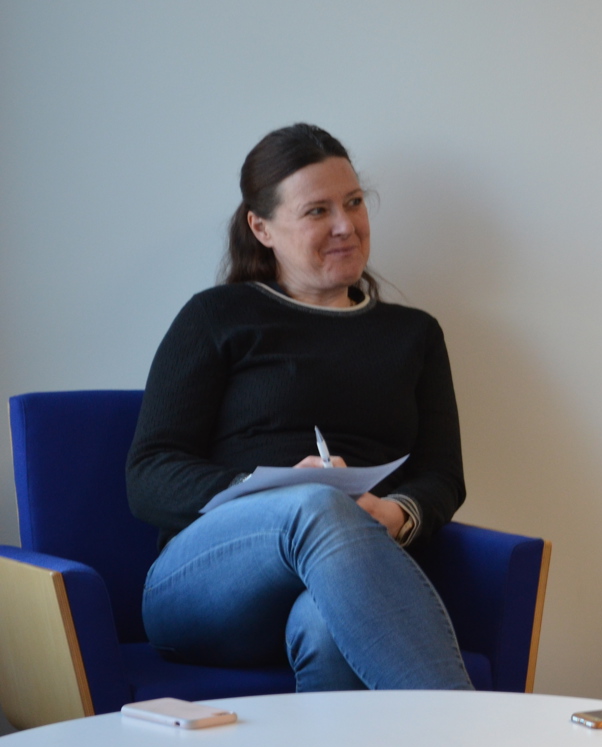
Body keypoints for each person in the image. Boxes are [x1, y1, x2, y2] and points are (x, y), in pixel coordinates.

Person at [126, 123, 473, 692]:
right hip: (206, 591)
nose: (346, 226)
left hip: (345, 578)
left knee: (328, 624)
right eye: (317, 211)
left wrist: (395, 514)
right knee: (315, 503)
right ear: (261, 228)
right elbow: (149, 476)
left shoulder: (414, 335)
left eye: (354, 202)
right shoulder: (215, 317)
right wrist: (271, 490)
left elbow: (442, 474)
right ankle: (465, 730)